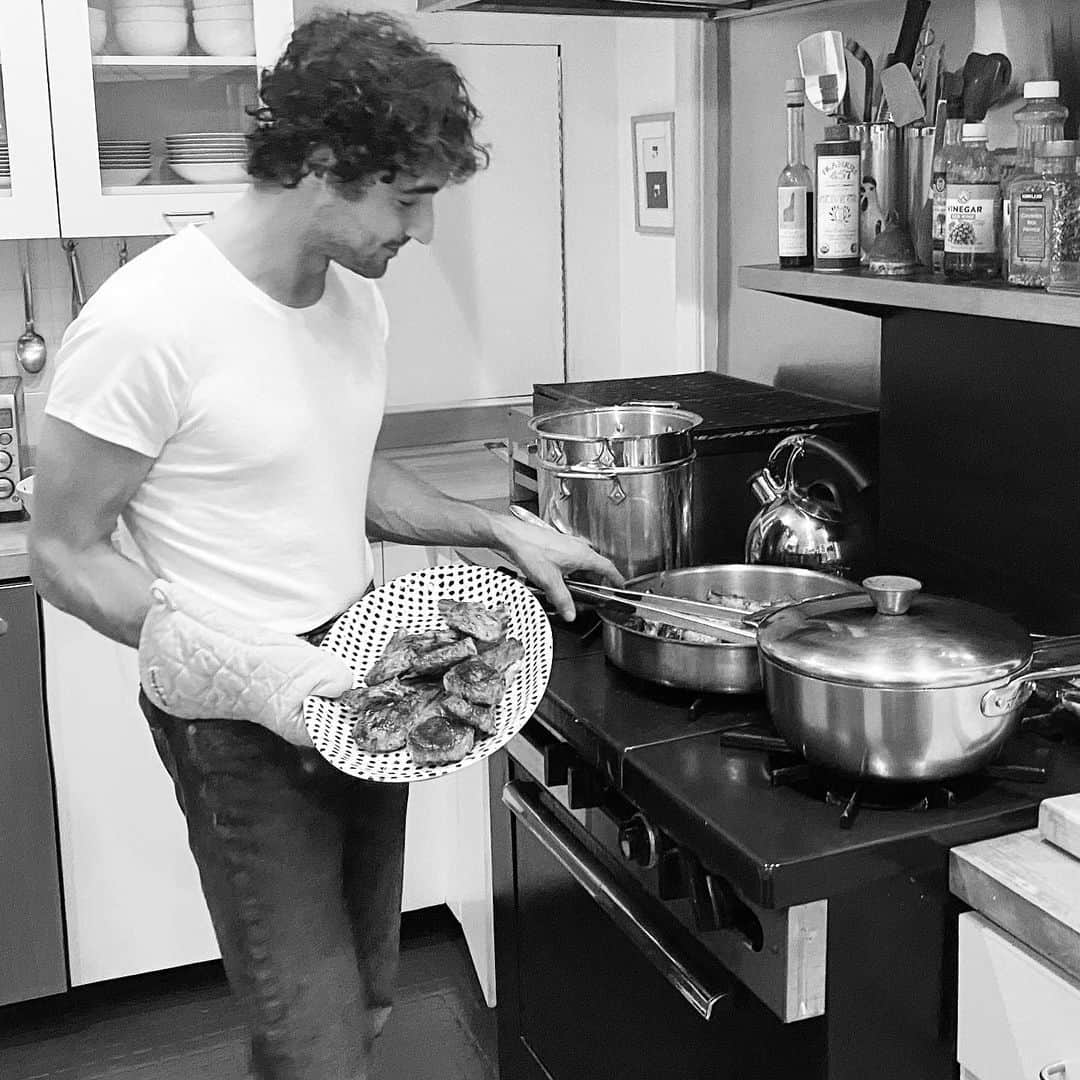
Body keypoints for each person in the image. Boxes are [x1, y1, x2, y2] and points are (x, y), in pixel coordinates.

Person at [28, 11, 620, 1079]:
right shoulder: (145, 323)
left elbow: (342, 474)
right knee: (311, 1036)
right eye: (408, 199)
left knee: (373, 995)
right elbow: (67, 552)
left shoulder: (352, 301)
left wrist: (496, 529)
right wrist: (254, 672)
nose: (425, 232)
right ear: (317, 166)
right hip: (235, 724)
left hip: (360, 675)